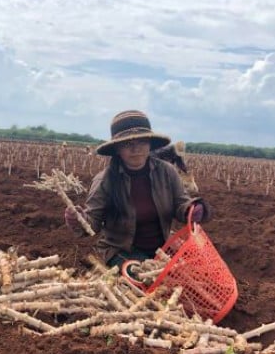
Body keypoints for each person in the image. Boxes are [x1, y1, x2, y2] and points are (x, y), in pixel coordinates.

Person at [65, 110, 211, 267]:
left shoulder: (166, 171)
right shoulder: (105, 180)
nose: (136, 149)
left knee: (197, 270)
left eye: (142, 142)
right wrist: (78, 220)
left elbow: (180, 203)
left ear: (150, 144)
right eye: (128, 144)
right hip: (121, 251)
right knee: (146, 279)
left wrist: (191, 209)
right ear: (117, 149)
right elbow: (91, 224)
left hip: (162, 246)